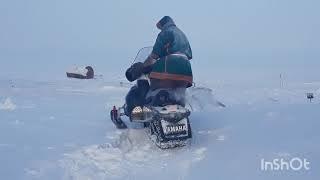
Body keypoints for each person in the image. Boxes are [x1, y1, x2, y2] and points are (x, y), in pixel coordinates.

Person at [125, 16, 193, 116]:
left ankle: (151, 107)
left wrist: (143, 66)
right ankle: (175, 106)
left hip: (170, 64)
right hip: (186, 69)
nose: (160, 29)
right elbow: (189, 55)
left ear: (163, 24)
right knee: (177, 91)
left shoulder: (165, 32)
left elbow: (154, 55)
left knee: (155, 87)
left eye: (160, 27)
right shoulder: (181, 34)